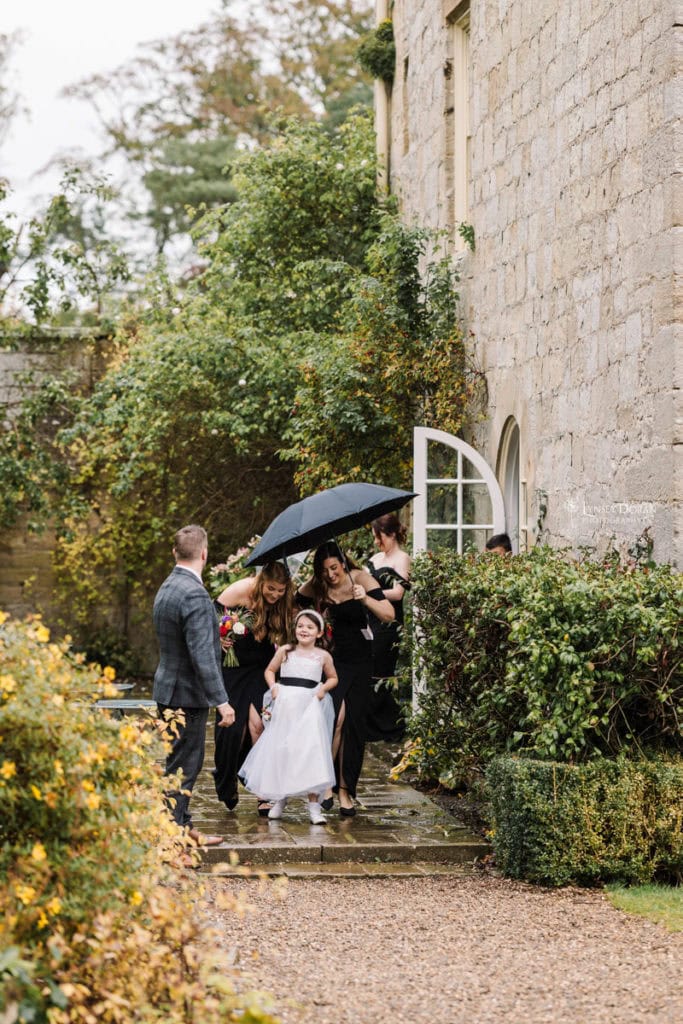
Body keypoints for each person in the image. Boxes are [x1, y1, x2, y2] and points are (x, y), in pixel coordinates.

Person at [297, 541, 394, 816]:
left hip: (361, 660)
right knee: (332, 720)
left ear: (343, 561)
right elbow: (295, 607)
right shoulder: (315, 585)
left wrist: (364, 598)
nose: (330, 575)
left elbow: (388, 614)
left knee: (354, 725)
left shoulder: (361, 577)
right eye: (325, 570)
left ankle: (345, 790)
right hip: (331, 662)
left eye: (334, 568)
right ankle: (325, 781)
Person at [153, 524, 235, 847]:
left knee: (176, 764)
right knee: (185, 768)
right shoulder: (196, 595)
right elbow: (201, 657)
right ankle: (173, 843)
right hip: (187, 695)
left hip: (167, 690)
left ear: (175, 553)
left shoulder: (168, 587)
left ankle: (182, 827)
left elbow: (187, 644)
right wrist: (222, 701)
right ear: (204, 554)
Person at [238, 609, 338, 825]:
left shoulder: (323, 656)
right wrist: (273, 687)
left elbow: (333, 678)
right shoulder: (285, 650)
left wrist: (323, 689)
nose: (304, 630)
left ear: (319, 633)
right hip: (286, 705)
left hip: (309, 706)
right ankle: (280, 799)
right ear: (295, 629)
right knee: (283, 750)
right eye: (301, 626)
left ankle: (314, 807)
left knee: (309, 752)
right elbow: (269, 670)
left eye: (310, 627)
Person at [213, 561, 295, 815]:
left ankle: (264, 792)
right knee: (232, 729)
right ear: (261, 582)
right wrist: (219, 636)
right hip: (234, 665)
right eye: (271, 589)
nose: (275, 595)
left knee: (260, 726)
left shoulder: (284, 601)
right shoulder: (241, 590)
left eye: (281, 590)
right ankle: (226, 780)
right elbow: (210, 614)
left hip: (261, 666)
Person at [365, 513, 412, 742]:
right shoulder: (374, 558)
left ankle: (392, 726)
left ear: (391, 534)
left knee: (382, 669)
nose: (376, 542)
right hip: (370, 618)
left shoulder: (402, 558)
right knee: (369, 668)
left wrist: (370, 593)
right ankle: (373, 725)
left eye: (379, 536)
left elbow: (398, 592)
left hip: (389, 621)